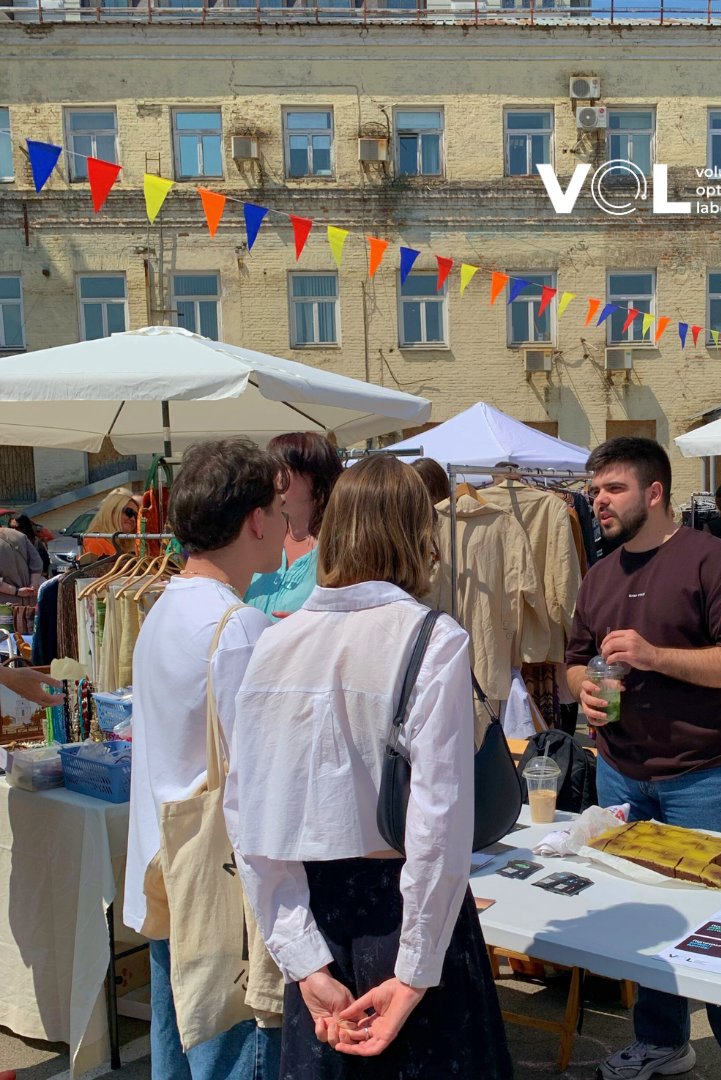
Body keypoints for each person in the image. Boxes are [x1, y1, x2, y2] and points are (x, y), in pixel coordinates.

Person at [231, 456, 511, 1079]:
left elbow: (250, 819)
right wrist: (414, 972)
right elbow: (438, 822)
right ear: (418, 534)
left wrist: (303, 960)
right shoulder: (432, 638)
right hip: (407, 910)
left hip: (317, 913)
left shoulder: (273, 643)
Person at [565, 437, 721, 1080]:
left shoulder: (711, 562)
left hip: (704, 774)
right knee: (645, 917)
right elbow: (574, 663)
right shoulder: (600, 575)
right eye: (595, 490)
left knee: (720, 923)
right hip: (619, 772)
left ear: (655, 492)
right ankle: (663, 1041)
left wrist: (655, 656)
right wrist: (585, 691)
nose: (599, 502)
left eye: (614, 489)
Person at [123, 437, 287, 1080]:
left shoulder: (165, 606)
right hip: (221, 888)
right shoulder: (237, 626)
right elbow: (260, 778)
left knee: (179, 1052)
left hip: (170, 870)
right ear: (255, 520)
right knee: (234, 1051)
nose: (287, 524)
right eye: (278, 509)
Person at [245, 432, 342, 619]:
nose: (272, 478)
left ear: (314, 477)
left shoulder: (340, 551)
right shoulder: (259, 538)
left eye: (282, 468)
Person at [83, 487, 139, 558]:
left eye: (136, 515)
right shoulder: (94, 542)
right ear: (112, 512)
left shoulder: (128, 546)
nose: (133, 519)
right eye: (129, 512)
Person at [0, 524, 43, 598]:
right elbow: (37, 562)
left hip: (6, 601)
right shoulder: (19, 535)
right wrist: (33, 584)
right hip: (30, 597)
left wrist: (17, 591)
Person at [13, 514, 51, 579]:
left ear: (25, 527)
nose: (14, 531)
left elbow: (43, 566)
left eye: (17, 528)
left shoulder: (36, 543)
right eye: (11, 528)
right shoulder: (8, 544)